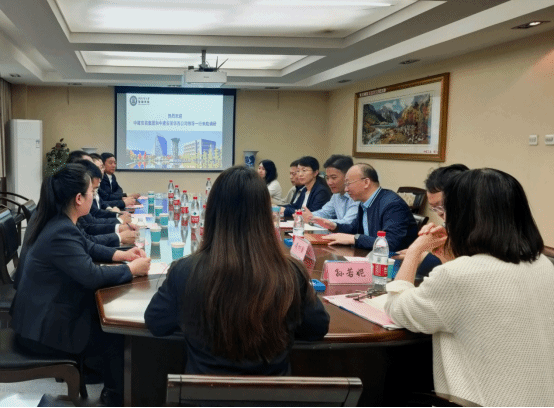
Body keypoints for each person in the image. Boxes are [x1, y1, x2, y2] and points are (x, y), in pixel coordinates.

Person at [385, 168, 554, 406]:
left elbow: (397, 308)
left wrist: (415, 251)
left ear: (462, 216)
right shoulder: (543, 265)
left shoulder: (459, 275)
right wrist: (448, 259)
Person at [145, 165, 330, 374]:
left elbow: (156, 322)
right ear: (265, 215)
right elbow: (316, 328)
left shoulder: (185, 271)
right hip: (273, 391)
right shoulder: (291, 273)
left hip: (203, 391)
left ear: (212, 213)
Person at [10, 163, 151, 406]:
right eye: (91, 193)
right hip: (41, 331)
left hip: (44, 314)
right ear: (78, 198)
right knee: (117, 334)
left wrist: (122, 255)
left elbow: (89, 246)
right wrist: (130, 270)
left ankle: (111, 385)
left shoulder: (61, 221)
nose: (94, 197)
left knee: (107, 320)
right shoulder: (60, 230)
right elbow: (92, 276)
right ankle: (115, 397)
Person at [393, 164, 470, 277]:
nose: (439, 213)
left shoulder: (480, 230)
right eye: (434, 208)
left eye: (442, 206)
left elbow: (464, 272)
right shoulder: (448, 226)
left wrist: (416, 254)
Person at [321, 163, 418, 252]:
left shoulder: (392, 205)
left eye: (348, 184)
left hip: (395, 261)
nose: (346, 189)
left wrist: (354, 239)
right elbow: (354, 229)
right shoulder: (365, 203)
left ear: (366, 182)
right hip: (370, 256)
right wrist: (334, 226)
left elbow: (390, 243)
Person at [302, 155, 359, 227]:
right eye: (327, 178)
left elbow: (347, 223)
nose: (329, 182)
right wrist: (306, 216)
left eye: (333, 178)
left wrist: (314, 220)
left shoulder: (357, 195)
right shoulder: (336, 195)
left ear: (347, 176)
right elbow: (325, 212)